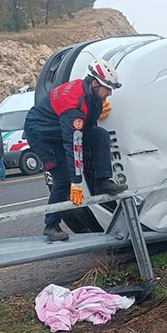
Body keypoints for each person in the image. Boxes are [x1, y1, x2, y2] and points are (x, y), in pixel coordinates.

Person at [24, 59, 128, 242]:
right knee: (62, 179)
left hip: (58, 127)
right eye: (108, 88)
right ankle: (51, 225)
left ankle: (102, 181)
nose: (110, 93)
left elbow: (87, 127)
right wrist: (76, 182)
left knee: (100, 135)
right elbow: (73, 145)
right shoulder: (74, 104)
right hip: (42, 136)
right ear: (95, 83)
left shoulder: (91, 94)